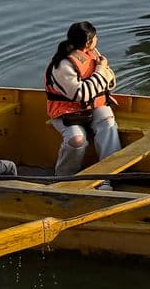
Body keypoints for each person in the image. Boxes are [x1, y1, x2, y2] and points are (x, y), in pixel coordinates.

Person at [44, 21, 121, 176]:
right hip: (67, 114)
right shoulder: (62, 66)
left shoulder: (93, 54)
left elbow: (111, 82)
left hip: (93, 108)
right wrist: (100, 70)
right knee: (77, 140)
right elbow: (81, 94)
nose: (97, 40)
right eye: (95, 37)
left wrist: (103, 71)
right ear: (88, 42)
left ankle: (109, 175)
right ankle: (64, 179)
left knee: (108, 123)